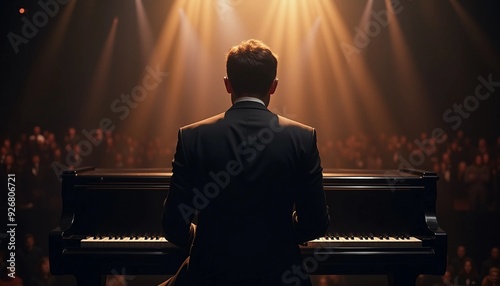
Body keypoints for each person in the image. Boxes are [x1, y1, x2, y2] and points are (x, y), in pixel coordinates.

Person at [161, 39, 330, 286]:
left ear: (227, 85)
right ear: (273, 86)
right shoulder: (303, 137)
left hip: (209, 276)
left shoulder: (191, 136)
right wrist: (280, 233)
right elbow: (315, 223)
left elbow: (173, 226)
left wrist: (197, 234)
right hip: (280, 276)